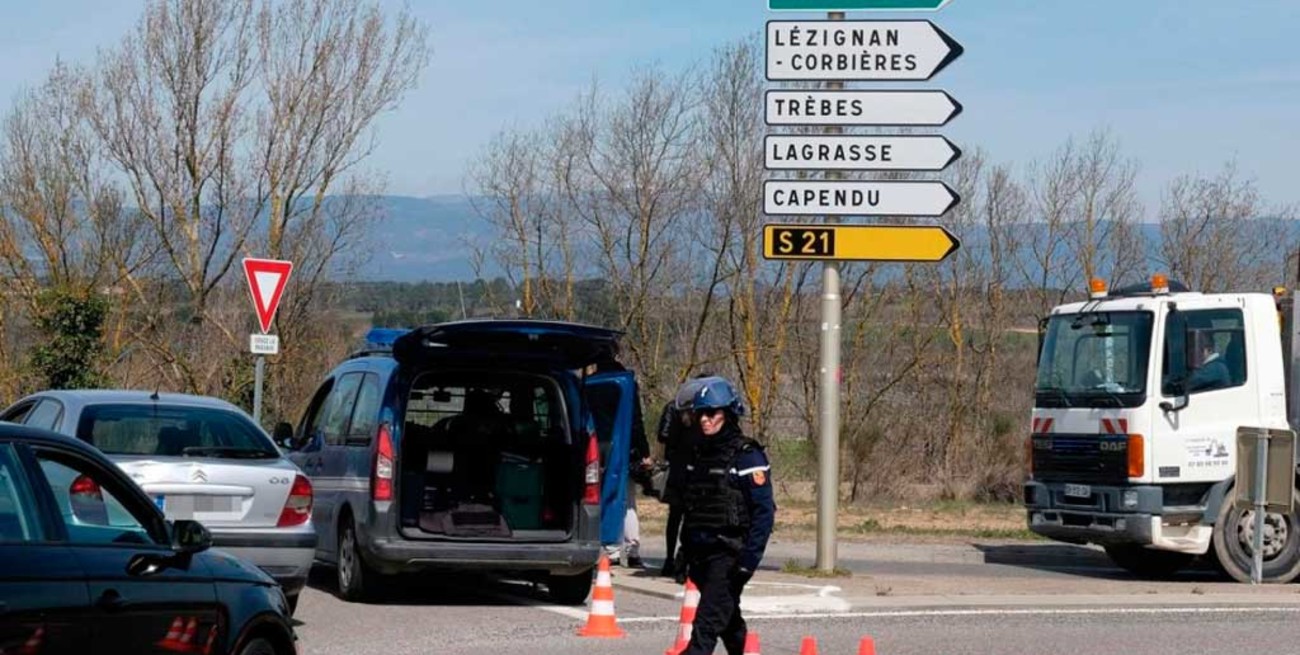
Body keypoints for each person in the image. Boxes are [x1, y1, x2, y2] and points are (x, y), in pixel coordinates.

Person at [677, 376, 775, 655]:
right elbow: (693, 506)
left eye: (712, 413)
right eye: (700, 414)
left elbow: (763, 514)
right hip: (702, 555)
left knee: (704, 629)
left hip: (729, 556)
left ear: (728, 414)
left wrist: (748, 561)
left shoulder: (747, 456)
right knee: (729, 622)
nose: (705, 420)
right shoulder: (702, 455)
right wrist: (685, 550)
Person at [657, 374, 709, 577]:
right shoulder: (695, 411)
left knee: (677, 515)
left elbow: (663, 434)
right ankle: (679, 559)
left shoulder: (675, 407)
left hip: (679, 466)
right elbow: (665, 434)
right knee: (690, 515)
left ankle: (673, 559)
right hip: (691, 466)